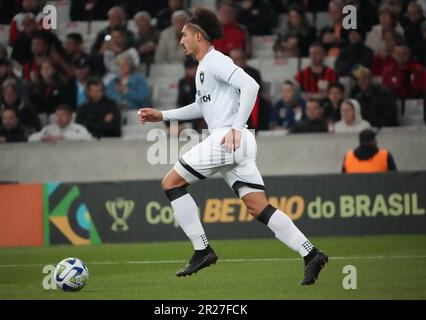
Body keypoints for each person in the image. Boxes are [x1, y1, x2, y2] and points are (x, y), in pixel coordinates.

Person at [137, 7, 328, 284]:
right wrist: (163, 115)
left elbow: (251, 85)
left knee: (171, 184)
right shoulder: (205, 67)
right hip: (238, 143)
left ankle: (202, 250)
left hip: (228, 138)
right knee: (258, 207)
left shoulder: (215, 60)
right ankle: (311, 254)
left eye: (184, 35)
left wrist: (236, 129)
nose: (180, 40)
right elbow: (201, 107)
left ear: (199, 36)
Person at [28, 104, 93, 142]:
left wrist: (64, 136)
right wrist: (42, 137)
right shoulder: (49, 128)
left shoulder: (77, 128)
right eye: (57, 115)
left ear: (70, 117)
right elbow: (30, 139)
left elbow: (88, 137)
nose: (59, 117)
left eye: (63, 115)